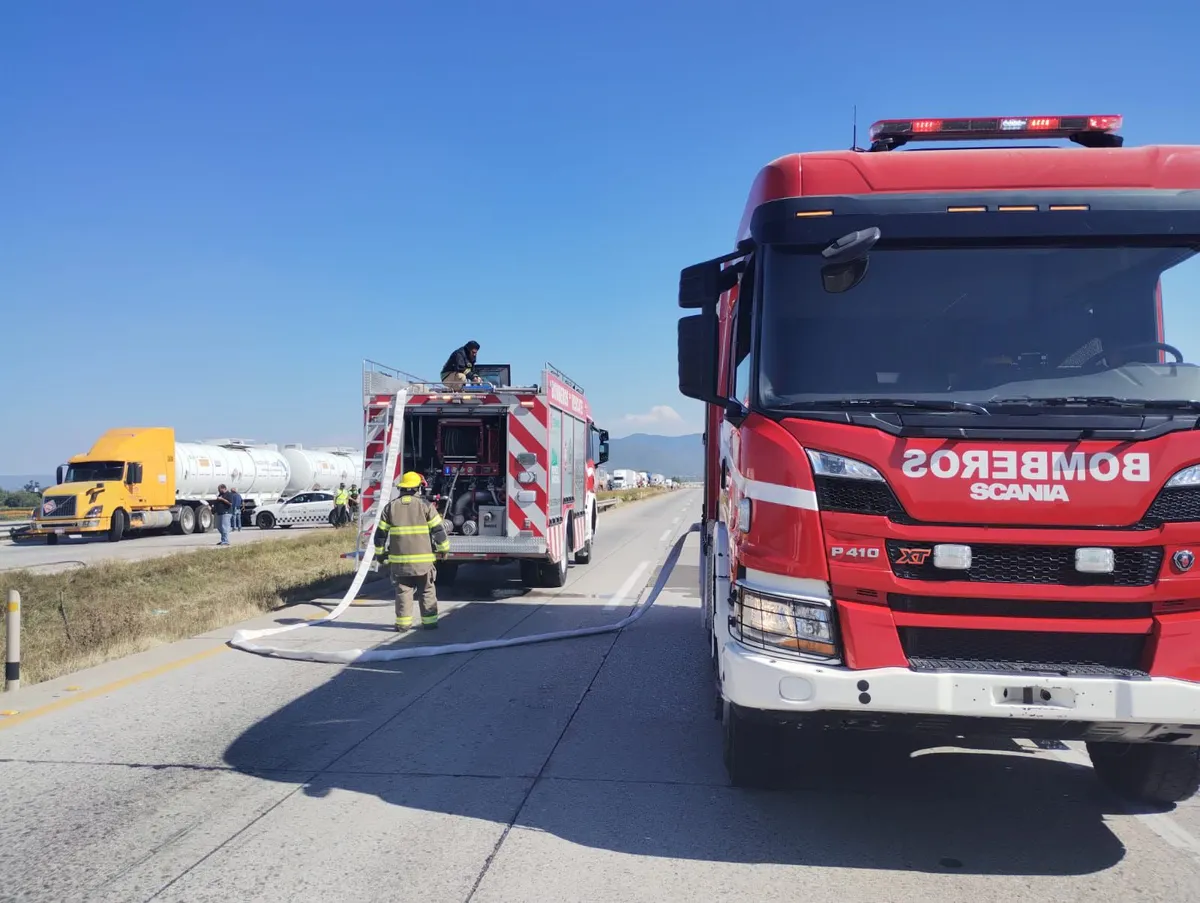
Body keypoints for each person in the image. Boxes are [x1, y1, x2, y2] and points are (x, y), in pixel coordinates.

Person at [373, 470, 450, 631]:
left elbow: (380, 535)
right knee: (427, 591)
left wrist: (380, 554)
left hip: (400, 563)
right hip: (423, 563)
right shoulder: (426, 506)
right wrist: (444, 550)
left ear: (402, 488)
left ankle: (403, 624)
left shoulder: (390, 508)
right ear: (418, 488)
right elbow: (438, 531)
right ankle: (429, 623)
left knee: (403, 592)